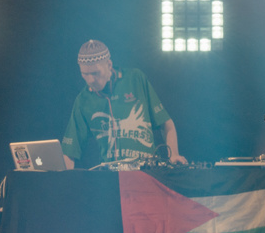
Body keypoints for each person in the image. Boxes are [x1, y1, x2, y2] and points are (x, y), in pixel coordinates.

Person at [61, 40, 186, 169]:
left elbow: (166, 123)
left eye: (95, 73)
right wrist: (64, 178)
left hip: (147, 171)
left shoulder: (135, 78)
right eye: (85, 74)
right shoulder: (83, 100)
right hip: (112, 176)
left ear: (109, 65)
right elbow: (69, 151)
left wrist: (174, 154)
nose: (91, 80)